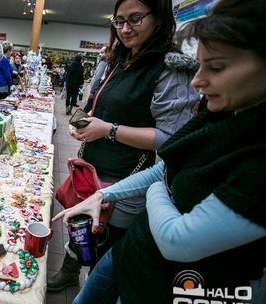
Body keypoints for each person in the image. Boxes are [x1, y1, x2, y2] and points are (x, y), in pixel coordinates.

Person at [54, 1, 266, 302]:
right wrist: (104, 192)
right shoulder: (220, 114)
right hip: (132, 251)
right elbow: (169, 166)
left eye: (217, 67)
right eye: (119, 21)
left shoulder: (252, 157)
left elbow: (177, 236)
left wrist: (151, 183)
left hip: (163, 284)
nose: (197, 81)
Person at [47, 0, 201, 292]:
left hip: (126, 178)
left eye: (135, 19)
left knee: (106, 242)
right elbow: (102, 106)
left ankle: (93, 288)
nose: (126, 29)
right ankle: (70, 272)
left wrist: (108, 130)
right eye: (119, 21)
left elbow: (172, 137)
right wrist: (85, 121)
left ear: (159, 19)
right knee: (83, 227)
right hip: (94, 169)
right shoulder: (123, 60)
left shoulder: (170, 68)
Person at [84, 45, 108, 112]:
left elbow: (98, 77)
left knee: (87, 110)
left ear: (108, 53)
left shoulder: (103, 62)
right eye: (100, 52)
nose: (100, 54)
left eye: (102, 52)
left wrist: (92, 91)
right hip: (98, 90)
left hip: (96, 91)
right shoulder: (105, 62)